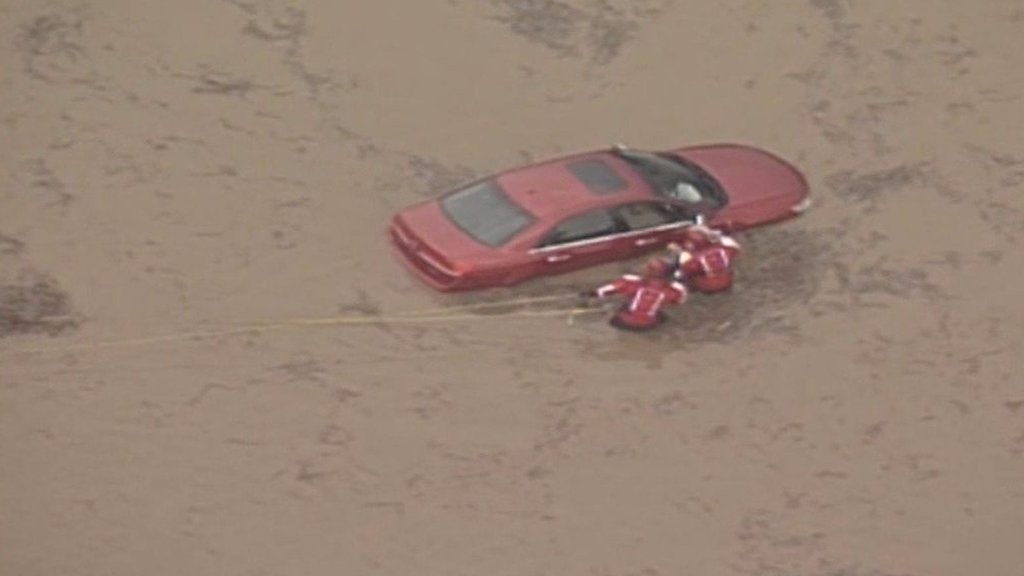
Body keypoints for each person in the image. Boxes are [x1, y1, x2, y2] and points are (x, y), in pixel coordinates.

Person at [581, 258, 688, 331]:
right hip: (649, 325)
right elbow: (679, 302)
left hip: (624, 322)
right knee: (664, 317)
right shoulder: (676, 290)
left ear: (649, 271)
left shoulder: (631, 282)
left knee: (622, 307)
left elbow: (605, 290)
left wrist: (590, 294)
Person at [667, 222, 741, 294]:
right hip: (727, 281)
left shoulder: (694, 260)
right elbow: (734, 246)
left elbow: (679, 274)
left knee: (682, 273)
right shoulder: (723, 250)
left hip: (705, 287)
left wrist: (680, 253)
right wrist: (717, 236)